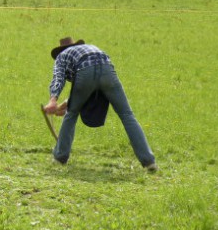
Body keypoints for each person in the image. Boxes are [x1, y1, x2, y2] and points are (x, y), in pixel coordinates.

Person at [43, 37, 157, 171]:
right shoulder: (89, 48)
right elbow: (92, 77)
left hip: (85, 72)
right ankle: (149, 162)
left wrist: (53, 100)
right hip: (107, 70)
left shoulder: (62, 56)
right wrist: (68, 103)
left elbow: (60, 77)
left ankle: (60, 157)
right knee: (127, 115)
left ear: (61, 50)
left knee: (71, 114)